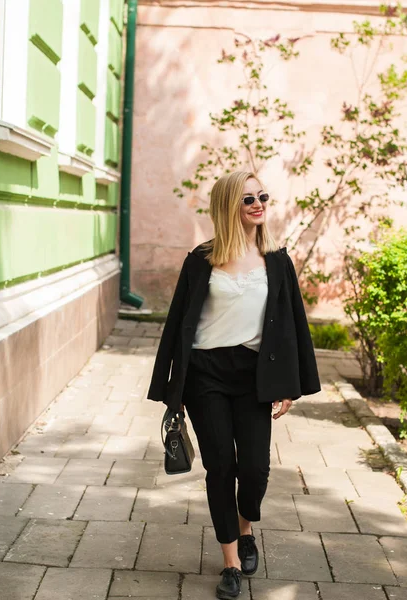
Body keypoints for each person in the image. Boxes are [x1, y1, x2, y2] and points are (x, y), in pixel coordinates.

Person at [147, 170, 321, 600]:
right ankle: (230, 562)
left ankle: (247, 531)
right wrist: (173, 388)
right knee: (220, 465)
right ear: (229, 206)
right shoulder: (201, 259)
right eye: (248, 199)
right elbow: (178, 326)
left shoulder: (277, 260)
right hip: (206, 374)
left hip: (254, 375)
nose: (258, 204)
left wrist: (289, 384)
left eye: (262, 196)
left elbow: (292, 327)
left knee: (255, 470)